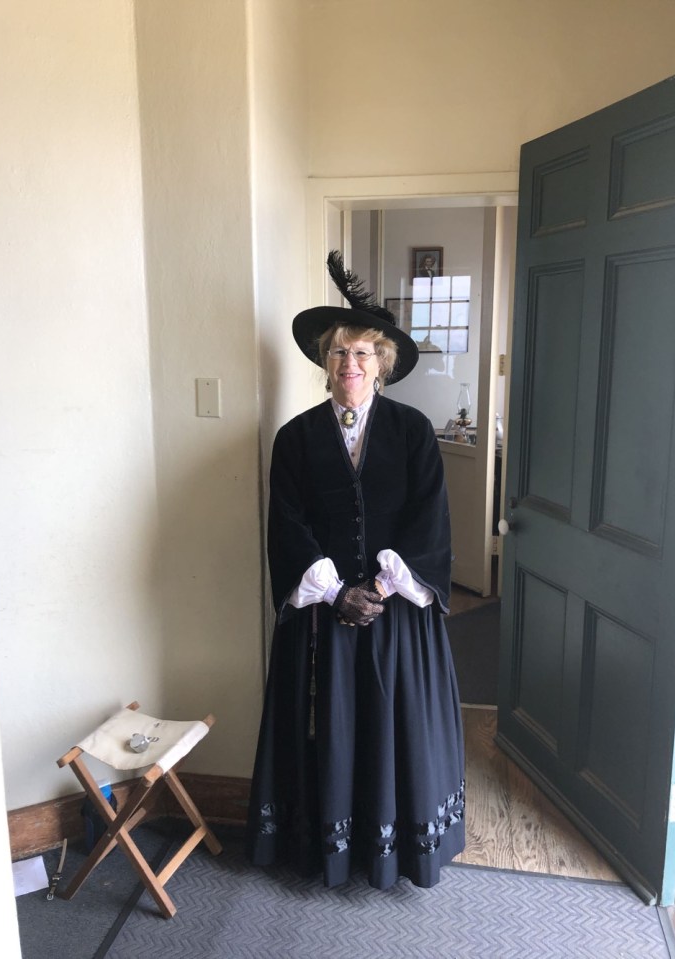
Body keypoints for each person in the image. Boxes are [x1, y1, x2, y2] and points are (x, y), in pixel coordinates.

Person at [246, 251, 465, 890]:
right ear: (325, 361)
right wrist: (337, 592)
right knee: (332, 729)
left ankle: (393, 851)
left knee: (394, 727)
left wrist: (383, 586)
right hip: (323, 618)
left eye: (364, 353)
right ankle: (329, 849)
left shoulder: (413, 431)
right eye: (340, 352)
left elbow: (429, 518)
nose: (351, 363)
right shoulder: (295, 437)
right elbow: (287, 523)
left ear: (382, 363)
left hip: (396, 615)